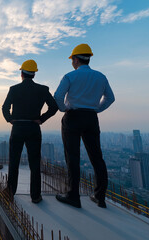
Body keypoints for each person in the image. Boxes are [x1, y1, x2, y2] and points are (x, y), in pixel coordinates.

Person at [54, 44, 115, 208]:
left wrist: (64, 109)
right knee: (97, 158)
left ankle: (73, 196)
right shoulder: (100, 77)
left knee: (72, 157)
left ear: (75, 59)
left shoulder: (69, 76)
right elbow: (110, 98)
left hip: (73, 117)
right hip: (91, 118)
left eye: (72, 60)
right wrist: (96, 109)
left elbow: (58, 96)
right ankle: (100, 197)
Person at [2, 59, 58, 203]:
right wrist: (42, 119)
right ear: (34, 74)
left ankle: (10, 192)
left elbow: (4, 107)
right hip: (34, 128)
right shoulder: (43, 89)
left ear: (22, 73)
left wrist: (10, 119)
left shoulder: (14, 89)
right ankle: (36, 195)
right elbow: (54, 107)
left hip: (18, 128)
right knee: (34, 163)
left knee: (14, 161)